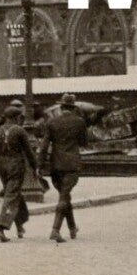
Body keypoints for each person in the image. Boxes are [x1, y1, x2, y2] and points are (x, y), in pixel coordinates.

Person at [0, 101, 41, 241]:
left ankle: (19, 225)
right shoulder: (20, 131)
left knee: (13, 193)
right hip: (16, 167)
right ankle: (1, 228)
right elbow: (28, 152)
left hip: (2, 167)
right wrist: (36, 168)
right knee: (11, 196)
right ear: (17, 118)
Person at [40, 93, 92, 242]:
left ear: (61, 107)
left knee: (64, 195)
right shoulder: (79, 122)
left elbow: (44, 145)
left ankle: (72, 228)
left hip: (55, 165)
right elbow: (84, 143)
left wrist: (40, 164)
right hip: (72, 164)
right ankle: (55, 230)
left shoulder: (51, 122)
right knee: (64, 196)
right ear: (73, 107)